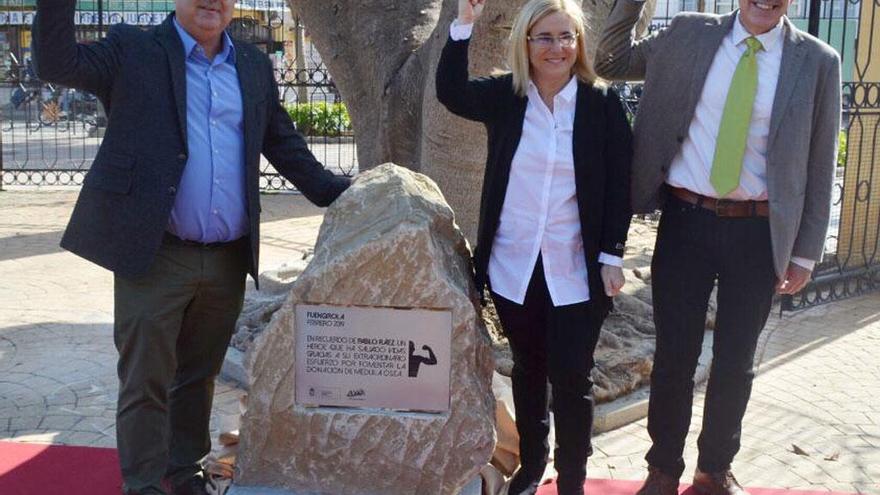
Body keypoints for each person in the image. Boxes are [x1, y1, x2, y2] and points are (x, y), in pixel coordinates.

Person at [31, 1, 350, 494]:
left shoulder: (250, 64)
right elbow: (56, 64)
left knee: (197, 377)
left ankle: (184, 474)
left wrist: (342, 193)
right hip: (156, 255)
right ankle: (143, 485)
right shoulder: (133, 50)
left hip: (227, 257)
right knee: (145, 382)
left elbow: (282, 143)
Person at [594, 0, 841, 493]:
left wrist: (805, 252)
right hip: (685, 223)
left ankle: (714, 469)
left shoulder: (817, 61)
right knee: (674, 356)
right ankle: (663, 467)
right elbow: (609, 62)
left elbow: (820, 158)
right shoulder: (689, 34)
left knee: (736, 360)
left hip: (758, 231)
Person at [436, 1, 633, 493]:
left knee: (573, 378)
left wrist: (612, 252)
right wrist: (463, 23)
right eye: (544, 37)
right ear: (525, 43)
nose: (557, 48)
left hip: (577, 269)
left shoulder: (601, 104)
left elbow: (619, 184)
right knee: (528, 369)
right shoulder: (507, 96)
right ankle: (533, 463)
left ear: (579, 43)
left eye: (566, 37)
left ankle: (572, 478)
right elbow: (451, 92)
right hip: (513, 266)